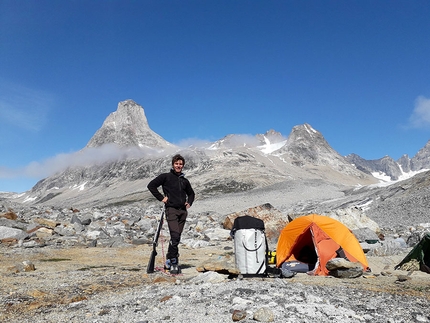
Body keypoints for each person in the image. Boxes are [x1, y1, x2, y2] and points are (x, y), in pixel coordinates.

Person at [147, 154, 195, 274]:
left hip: (183, 212)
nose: (178, 166)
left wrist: (189, 203)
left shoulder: (185, 181)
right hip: (171, 210)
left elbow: (191, 193)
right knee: (175, 236)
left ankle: (170, 259)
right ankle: (173, 260)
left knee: (176, 237)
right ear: (173, 165)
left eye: (180, 164)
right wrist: (161, 198)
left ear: (183, 166)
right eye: (176, 164)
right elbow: (151, 186)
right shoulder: (166, 177)